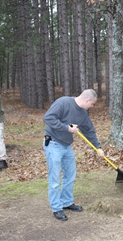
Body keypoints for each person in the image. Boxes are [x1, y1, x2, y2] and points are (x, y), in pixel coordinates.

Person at [43, 89, 105, 221]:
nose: (92, 107)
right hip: (53, 144)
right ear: (87, 100)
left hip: (66, 146)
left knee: (70, 175)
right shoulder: (63, 102)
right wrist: (67, 128)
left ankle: (67, 202)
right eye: (92, 104)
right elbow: (48, 118)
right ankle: (57, 208)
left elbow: (89, 131)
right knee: (54, 179)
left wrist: (98, 147)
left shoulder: (82, 114)